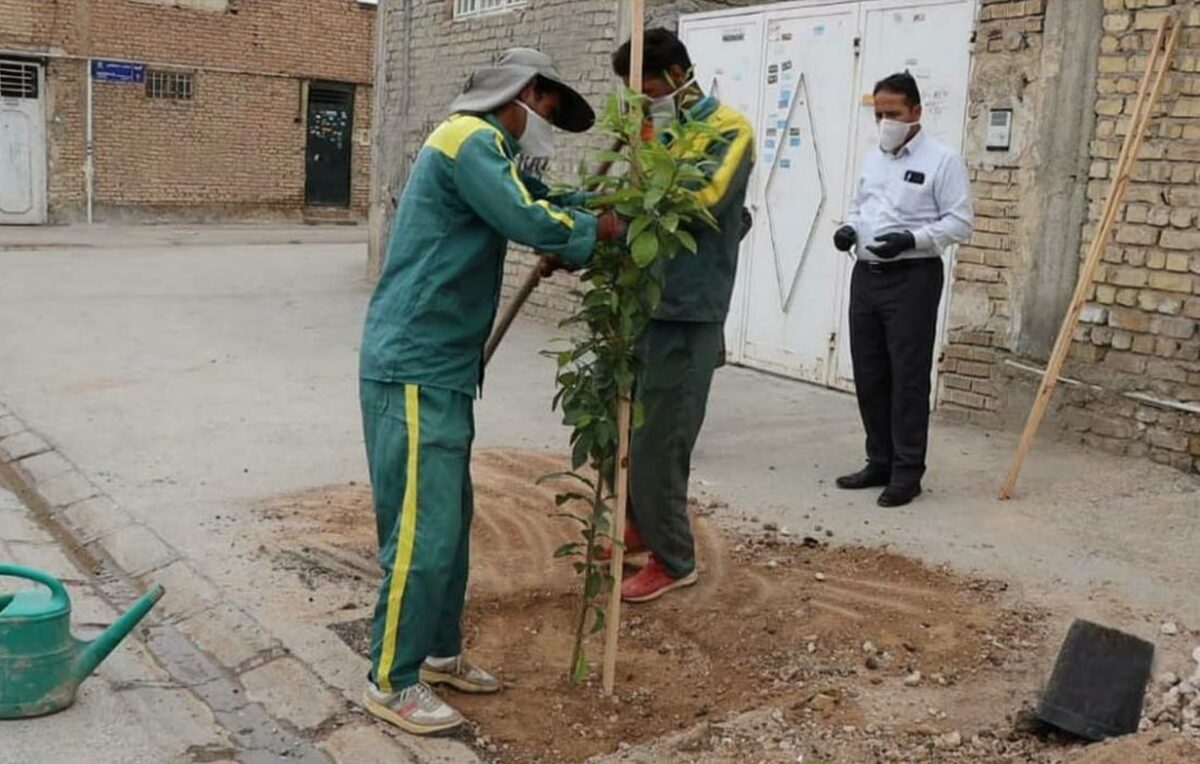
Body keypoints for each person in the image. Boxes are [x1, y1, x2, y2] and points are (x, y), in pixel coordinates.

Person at [358, 48, 622, 736]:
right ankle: (391, 681)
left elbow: (539, 201)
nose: (546, 127)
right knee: (422, 531)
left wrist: (590, 209)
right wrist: (601, 231)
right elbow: (530, 220)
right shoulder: (470, 137)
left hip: (443, 366)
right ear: (526, 92)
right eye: (550, 111)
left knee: (447, 526)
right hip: (414, 364)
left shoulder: (488, 151)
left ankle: (438, 653)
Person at [607, 28, 754, 603]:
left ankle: (673, 558)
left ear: (676, 76)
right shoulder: (648, 129)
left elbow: (706, 199)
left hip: (688, 307)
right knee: (622, 423)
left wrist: (629, 203)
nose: (641, 103)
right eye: (633, 96)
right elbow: (622, 196)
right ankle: (641, 525)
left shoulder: (727, 129)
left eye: (645, 91)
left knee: (662, 438)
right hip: (641, 297)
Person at [832, 71, 973, 508]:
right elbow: (862, 206)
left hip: (912, 278)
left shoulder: (943, 160)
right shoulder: (872, 157)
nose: (885, 122)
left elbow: (959, 222)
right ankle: (880, 460)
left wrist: (911, 240)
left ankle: (908, 471)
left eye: (892, 113)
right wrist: (849, 229)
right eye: (878, 114)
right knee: (870, 374)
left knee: (906, 376)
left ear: (915, 112)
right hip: (867, 277)